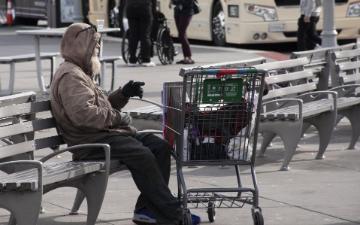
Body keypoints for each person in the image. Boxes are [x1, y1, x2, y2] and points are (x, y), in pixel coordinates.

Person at [50, 23, 201, 225]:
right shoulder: (71, 76)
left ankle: (146, 209)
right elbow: (84, 116)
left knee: (159, 146)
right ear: (81, 46)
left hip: (104, 134)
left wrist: (123, 94)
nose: (97, 50)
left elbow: (97, 107)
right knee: (142, 154)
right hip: (89, 141)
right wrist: (118, 117)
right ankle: (173, 214)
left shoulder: (79, 71)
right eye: (95, 46)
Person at [121, 0, 157, 67]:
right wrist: (153, 11)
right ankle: (146, 59)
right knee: (145, 35)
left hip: (131, 8)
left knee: (133, 35)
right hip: (144, 8)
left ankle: (132, 60)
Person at [170, 0, 195, 64]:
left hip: (187, 11)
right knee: (182, 34)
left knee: (181, 33)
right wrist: (171, 2)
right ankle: (186, 57)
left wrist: (182, 4)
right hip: (177, 11)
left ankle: (189, 57)